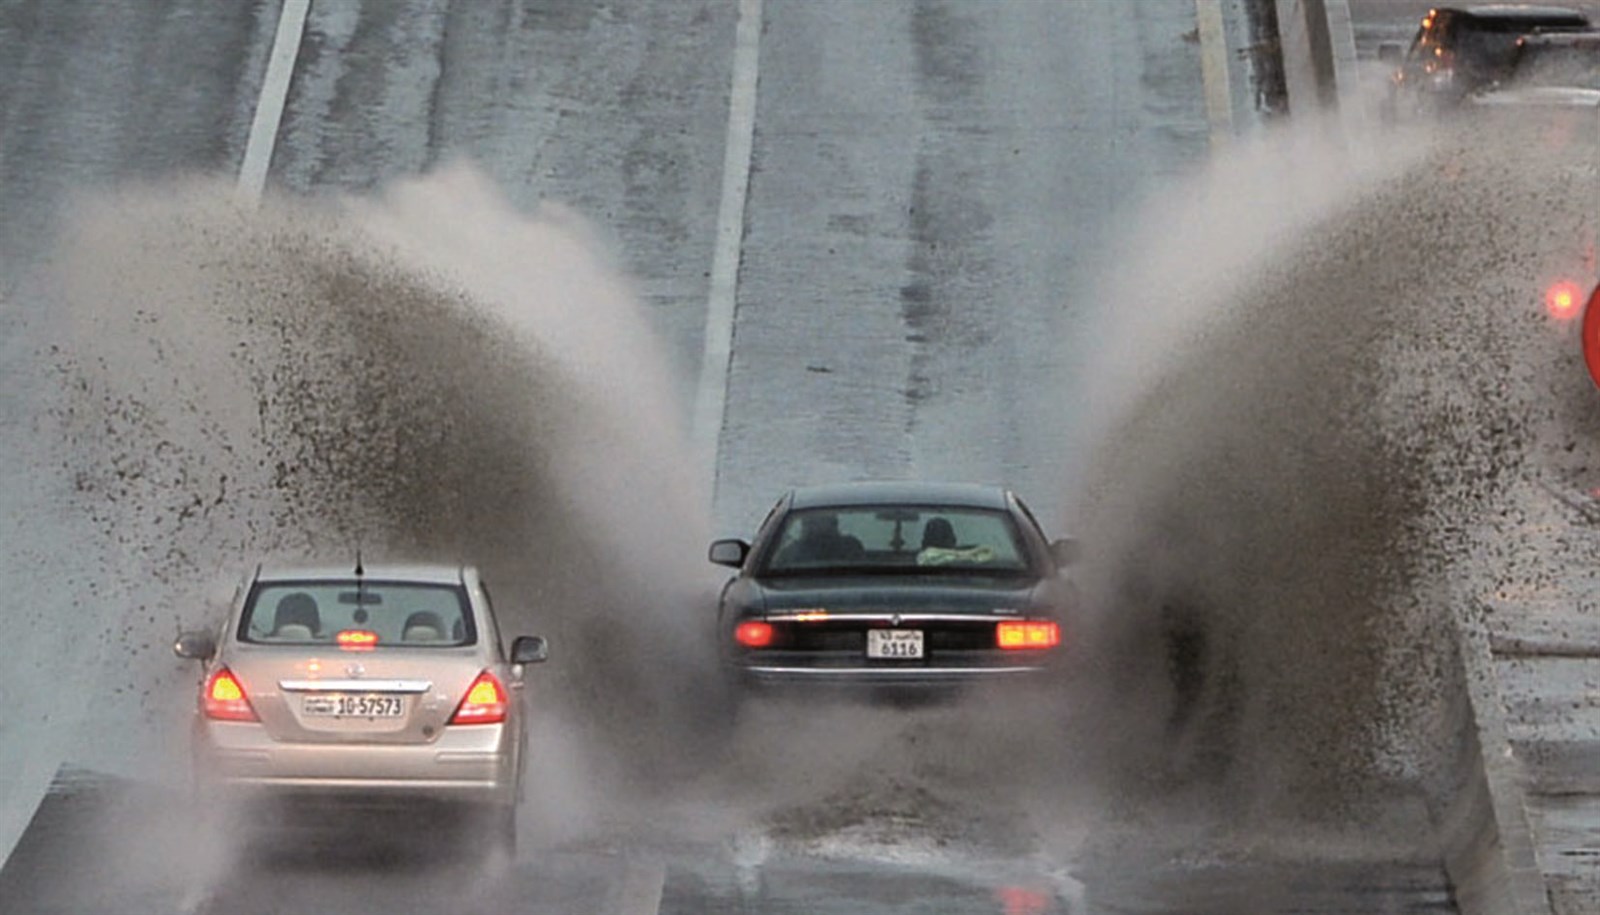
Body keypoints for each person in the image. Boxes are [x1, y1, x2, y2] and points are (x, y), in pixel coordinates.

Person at [777, 512, 864, 565]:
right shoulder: (852, 546)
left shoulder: (790, 553)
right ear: (835, 525)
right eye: (812, 524)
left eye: (809, 524)